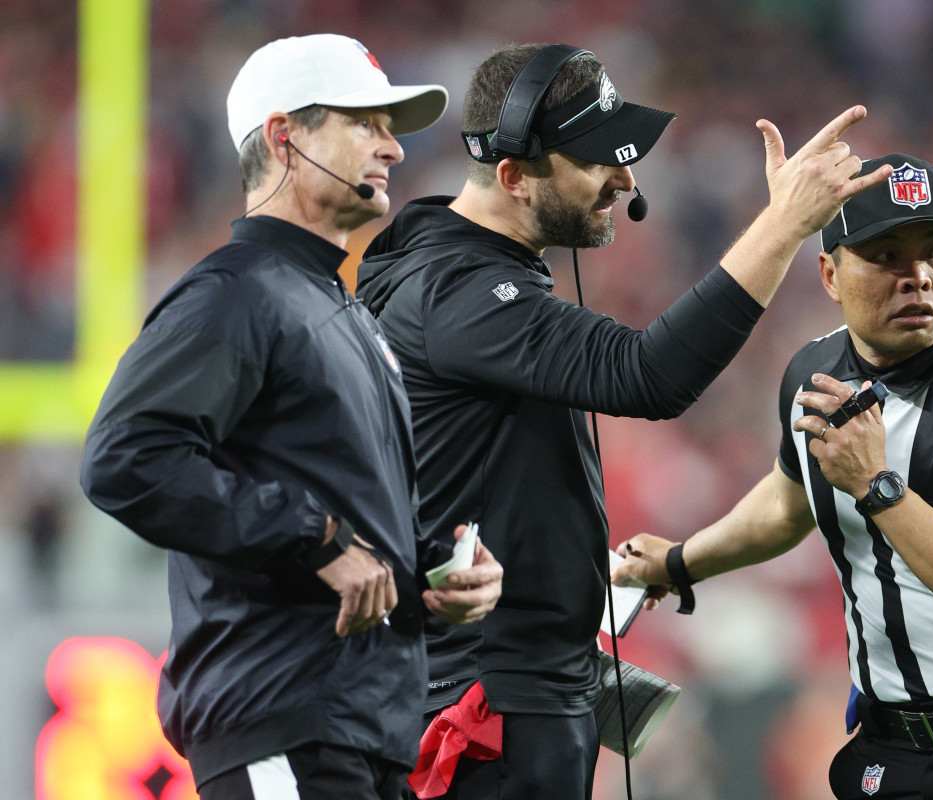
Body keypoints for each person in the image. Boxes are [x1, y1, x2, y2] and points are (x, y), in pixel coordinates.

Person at [354, 42, 889, 800]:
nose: (627, 181)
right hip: (488, 710)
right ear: (513, 174)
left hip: (490, 689)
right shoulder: (458, 290)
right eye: (598, 159)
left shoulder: (433, 265)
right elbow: (649, 375)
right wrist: (785, 224)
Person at [613, 153, 933, 798]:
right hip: (893, 750)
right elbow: (789, 500)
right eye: (886, 255)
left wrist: (876, 486)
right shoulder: (814, 371)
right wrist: (682, 562)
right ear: (829, 273)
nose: (917, 277)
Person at [79, 34, 503, 799]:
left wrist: (432, 567)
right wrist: (318, 538)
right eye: (365, 122)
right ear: (284, 138)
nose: (393, 149)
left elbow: (339, 520)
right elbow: (125, 457)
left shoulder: (343, 311)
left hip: (355, 733)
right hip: (282, 720)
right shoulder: (237, 292)